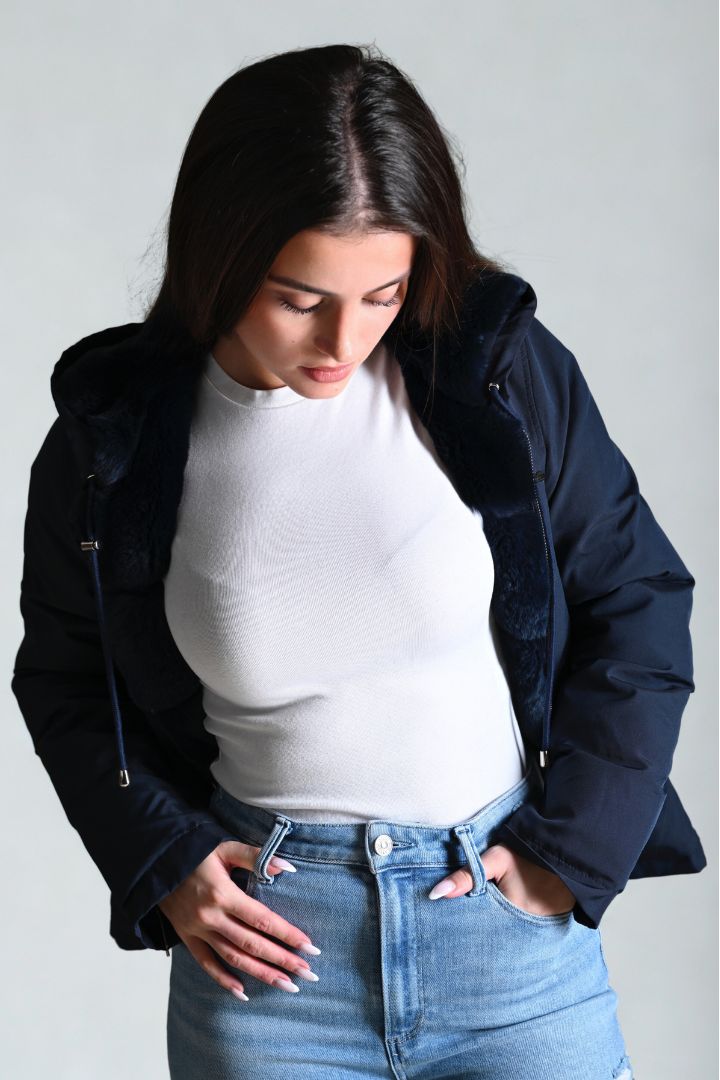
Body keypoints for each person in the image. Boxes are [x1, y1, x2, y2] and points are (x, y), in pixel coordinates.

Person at [11, 43, 705, 1080]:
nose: (346, 337)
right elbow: (63, 674)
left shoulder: (497, 371)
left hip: (508, 944)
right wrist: (161, 860)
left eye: (384, 291)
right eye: (300, 297)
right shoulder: (114, 439)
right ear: (222, 252)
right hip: (270, 965)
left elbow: (636, 597)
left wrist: (568, 859)